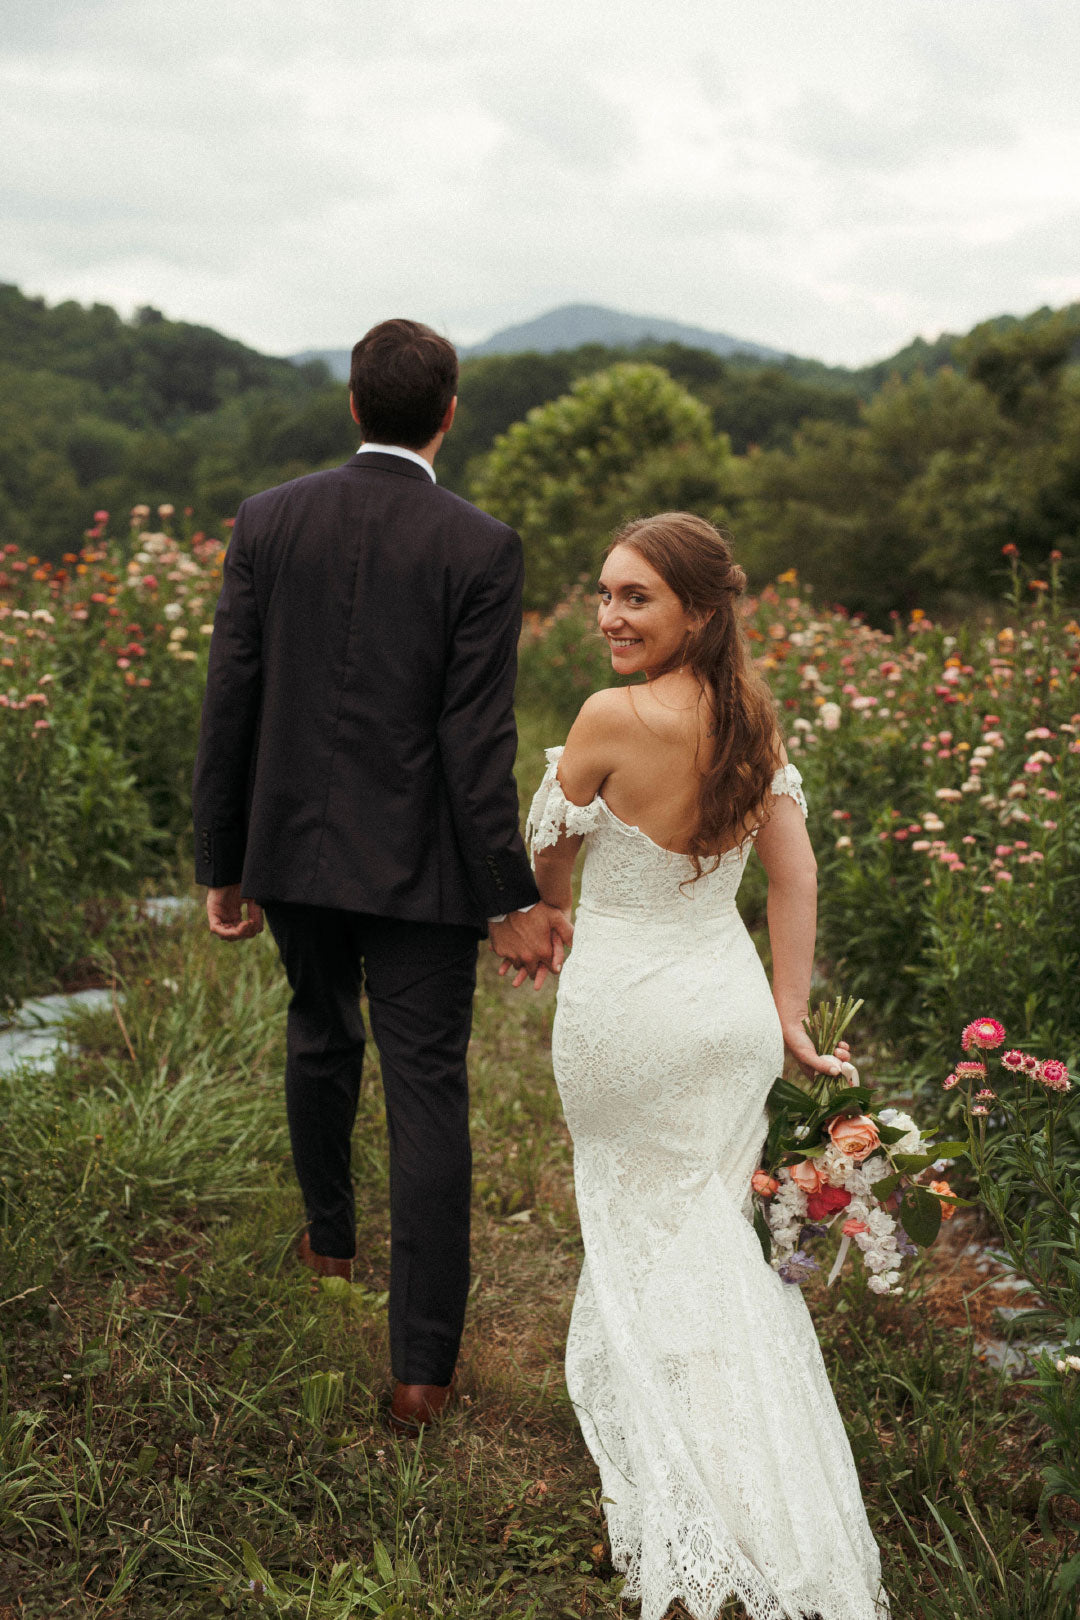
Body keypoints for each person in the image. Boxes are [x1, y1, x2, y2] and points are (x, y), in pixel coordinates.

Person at [192, 318, 571, 1437]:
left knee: (318, 1030)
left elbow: (233, 698)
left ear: (352, 405)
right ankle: (421, 1374)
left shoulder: (270, 519)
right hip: (420, 871)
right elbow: (473, 742)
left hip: (296, 853)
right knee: (428, 1093)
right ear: (448, 415)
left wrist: (225, 859)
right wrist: (509, 896)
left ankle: (330, 1244)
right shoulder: (481, 546)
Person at [521, 513, 889, 1620]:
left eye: (637, 598)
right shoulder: (750, 726)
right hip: (724, 1010)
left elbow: (547, 844)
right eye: (605, 593)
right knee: (708, 1234)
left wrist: (545, 906)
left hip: (625, 1014)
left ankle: (694, 1475)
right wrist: (786, 1014)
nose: (611, 616)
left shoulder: (607, 718)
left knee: (641, 1229)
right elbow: (793, 880)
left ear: (698, 611)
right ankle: (761, 1472)